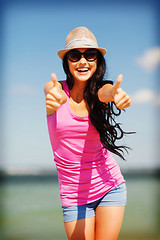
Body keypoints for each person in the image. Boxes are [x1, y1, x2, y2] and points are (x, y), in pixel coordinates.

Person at [44, 26, 131, 240]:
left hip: (110, 186)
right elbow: (52, 92)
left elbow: (107, 92)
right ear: (67, 62)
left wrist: (116, 93)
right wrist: (54, 97)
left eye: (89, 55)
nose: (83, 61)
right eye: (75, 55)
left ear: (97, 61)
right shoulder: (55, 90)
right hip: (74, 194)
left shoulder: (100, 92)